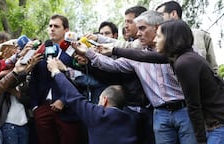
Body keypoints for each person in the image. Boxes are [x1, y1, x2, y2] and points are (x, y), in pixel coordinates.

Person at [73, 11, 197, 144]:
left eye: (142, 28)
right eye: (138, 30)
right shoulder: (136, 56)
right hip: (160, 114)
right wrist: (88, 53)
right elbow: (112, 65)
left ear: (157, 27)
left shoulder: (179, 52)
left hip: (185, 110)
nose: (138, 34)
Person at [152, 20, 224, 143]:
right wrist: (117, 50)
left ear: (171, 38)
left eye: (158, 36)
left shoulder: (184, 62)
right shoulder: (187, 57)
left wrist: (200, 141)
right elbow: (145, 56)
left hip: (223, 124)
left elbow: (193, 106)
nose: (154, 40)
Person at [47, 58, 137, 144]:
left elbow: (73, 95)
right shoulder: (131, 119)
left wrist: (56, 72)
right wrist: (66, 69)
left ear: (105, 100)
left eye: (99, 100)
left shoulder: (96, 115)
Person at [28, 14, 83, 144]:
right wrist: (35, 107)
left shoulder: (76, 51)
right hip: (43, 109)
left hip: (68, 109)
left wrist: (64, 101)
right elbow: (34, 81)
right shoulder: (40, 51)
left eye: (56, 26)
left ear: (66, 30)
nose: (52, 29)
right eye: (50, 26)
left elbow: (80, 79)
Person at [155, 1, 218, 73]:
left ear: (173, 14)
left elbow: (213, 67)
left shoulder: (200, 35)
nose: (158, 20)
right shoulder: (159, 40)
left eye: (161, 15)